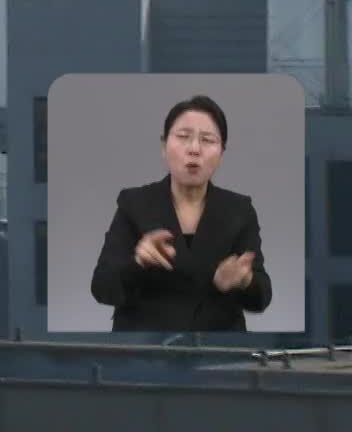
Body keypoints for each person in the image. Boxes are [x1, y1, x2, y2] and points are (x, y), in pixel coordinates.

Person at [89, 94, 271, 331]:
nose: (194, 149)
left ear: (222, 155)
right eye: (183, 137)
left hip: (217, 354)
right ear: (164, 147)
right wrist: (137, 263)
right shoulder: (134, 204)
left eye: (207, 140)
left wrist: (244, 281)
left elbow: (262, 297)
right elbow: (102, 288)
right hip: (146, 353)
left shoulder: (239, 210)